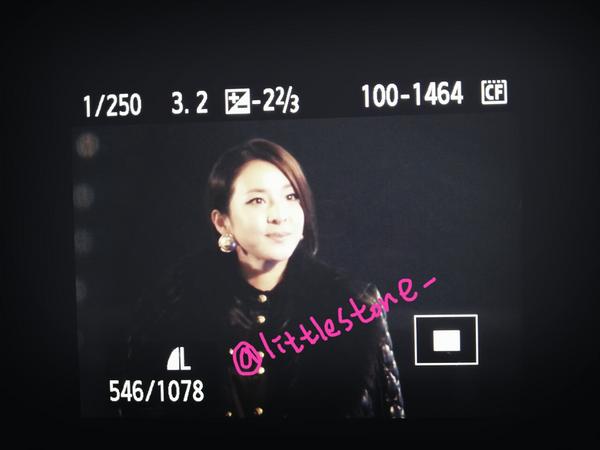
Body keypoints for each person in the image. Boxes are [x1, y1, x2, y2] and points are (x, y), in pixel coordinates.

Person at [125, 138, 405, 419]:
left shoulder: (355, 304)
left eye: (291, 197)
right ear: (223, 222)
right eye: (257, 200)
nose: (279, 216)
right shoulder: (174, 305)